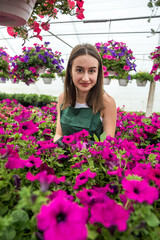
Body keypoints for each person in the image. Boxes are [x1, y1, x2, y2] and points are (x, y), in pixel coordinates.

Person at [54, 43, 117, 144]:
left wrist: (88, 147)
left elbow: (108, 144)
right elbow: (58, 134)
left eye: (91, 71)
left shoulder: (106, 102)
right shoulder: (63, 98)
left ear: (98, 73)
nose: (85, 78)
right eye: (79, 70)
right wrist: (59, 143)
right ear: (70, 71)